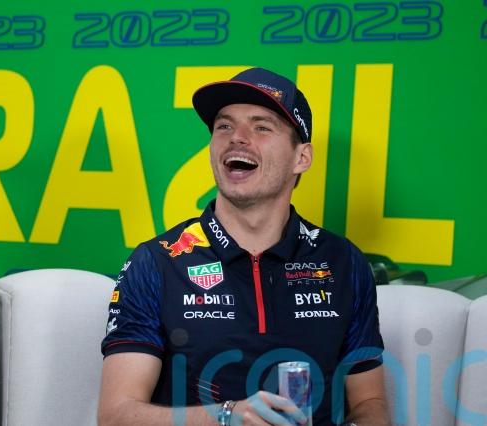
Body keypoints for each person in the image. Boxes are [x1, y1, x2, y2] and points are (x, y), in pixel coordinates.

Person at [98, 67, 389, 425]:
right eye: (224, 126)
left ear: (302, 158)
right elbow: (115, 415)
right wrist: (227, 416)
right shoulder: (157, 262)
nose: (237, 138)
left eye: (261, 127)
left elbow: (370, 401)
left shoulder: (343, 261)